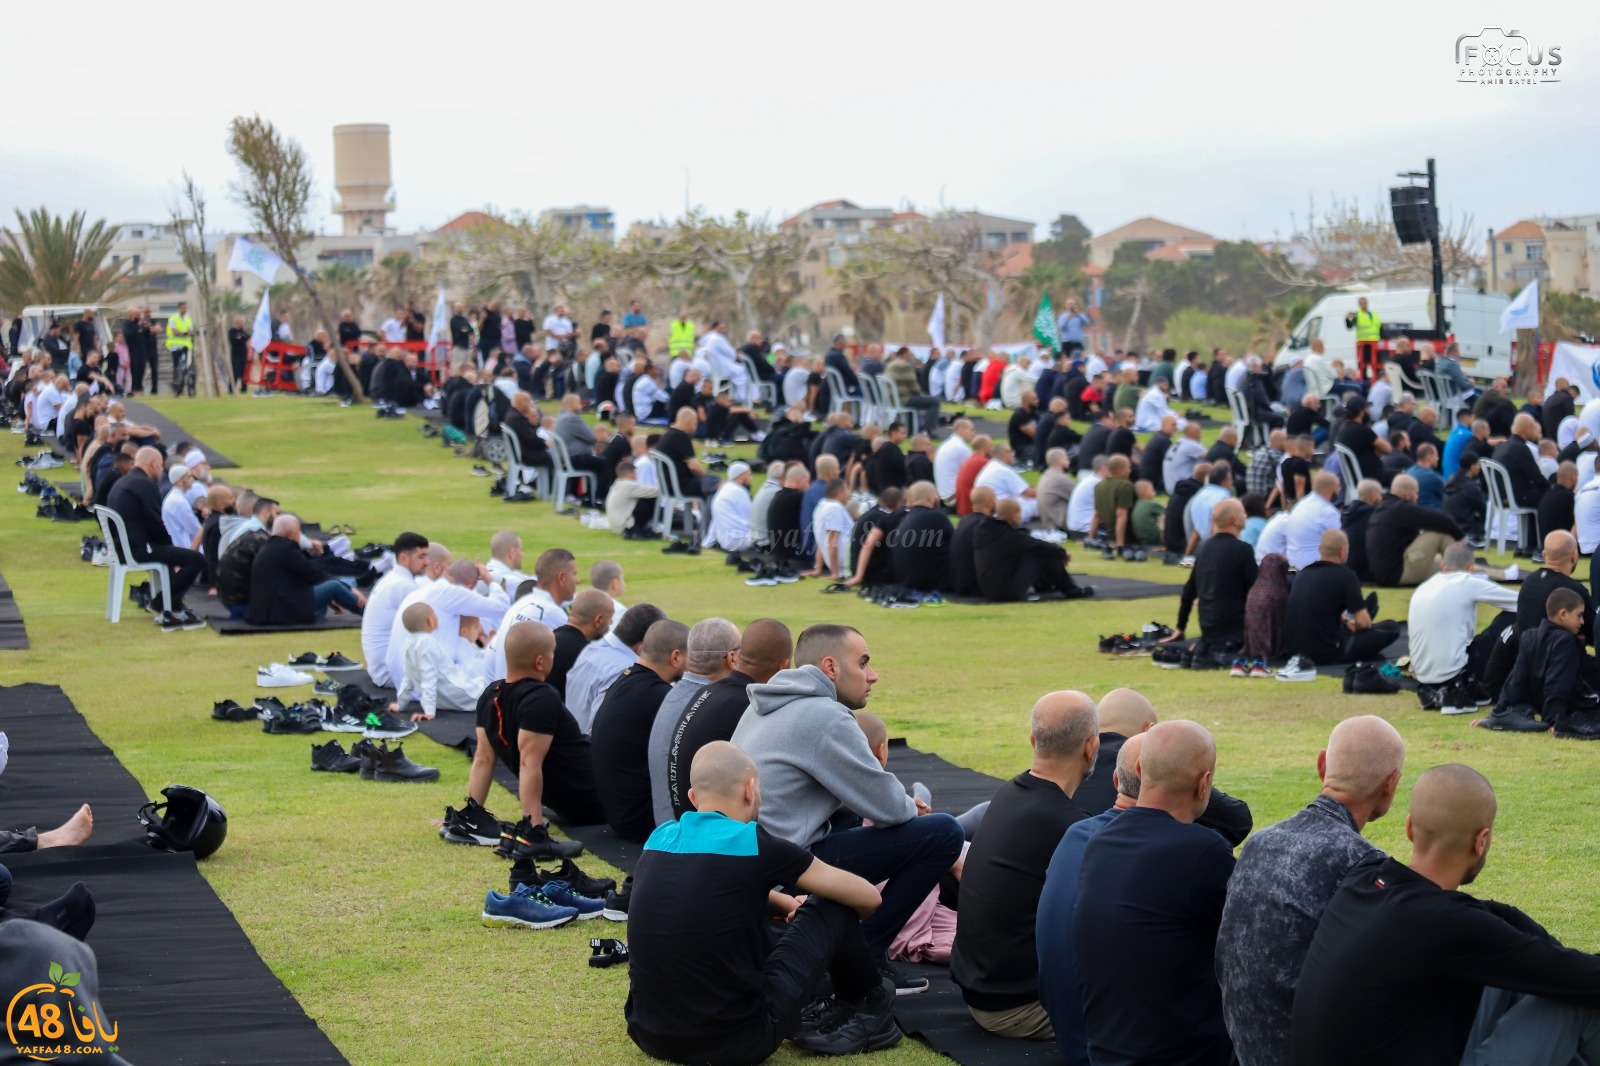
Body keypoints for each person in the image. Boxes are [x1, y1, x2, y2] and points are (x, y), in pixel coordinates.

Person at [1292, 764, 1600, 1066]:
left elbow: (1493, 916)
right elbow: (1582, 979)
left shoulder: (1363, 882)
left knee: (1524, 981)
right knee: (1574, 1003)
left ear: (1410, 827)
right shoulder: (1446, 924)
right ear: (1481, 842)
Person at [625, 741, 899, 1064]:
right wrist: (825, 920)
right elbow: (868, 897)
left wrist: (782, 903)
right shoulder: (753, 843)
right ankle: (869, 1002)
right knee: (833, 903)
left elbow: (710, 887)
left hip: (648, 1034)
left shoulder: (659, 838)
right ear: (750, 789)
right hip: (738, 1041)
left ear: (694, 799)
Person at [731, 624, 965, 992]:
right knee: (944, 832)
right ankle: (866, 956)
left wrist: (898, 802)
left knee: (852, 813)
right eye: (864, 663)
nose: (873, 676)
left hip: (749, 856)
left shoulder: (765, 703)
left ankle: (842, 942)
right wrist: (909, 806)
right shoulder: (826, 715)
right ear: (831, 667)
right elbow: (891, 809)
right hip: (786, 864)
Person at [1216, 716, 1406, 1066]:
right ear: (1391, 784)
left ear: (1322, 765)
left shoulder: (1259, 843)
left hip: (1244, 1049)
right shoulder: (1362, 865)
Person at [1073, 720, 1236, 1066]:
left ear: (1138, 769)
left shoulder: (1099, 842)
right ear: (1204, 784)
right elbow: (1248, 951)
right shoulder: (1204, 851)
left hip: (1105, 1051)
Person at [951, 691, 1099, 1039]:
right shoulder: (1069, 827)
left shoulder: (1009, 794)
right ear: (1092, 747)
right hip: (1019, 1008)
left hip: (982, 992)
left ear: (1033, 740)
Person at [467, 620, 601, 860]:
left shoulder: (490, 695)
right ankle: (536, 836)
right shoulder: (541, 697)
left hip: (574, 799)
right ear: (540, 661)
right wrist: (535, 833)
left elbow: (483, 758)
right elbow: (529, 764)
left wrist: (472, 813)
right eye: (552, 653)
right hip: (595, 799)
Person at [663, 619, 793, 819]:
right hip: (713, 831)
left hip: (688, 817)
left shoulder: (709, 691)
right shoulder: (751, 705)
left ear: (739, 655)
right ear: (783, 665)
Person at [590, 620, 690, 843]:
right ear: (675, 657)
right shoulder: (660, 696)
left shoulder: (626, 680)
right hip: (642, 822)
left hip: (619, 813)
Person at [645, 618, 740, 825]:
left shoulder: (675, 694)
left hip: (666, 828)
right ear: (732, 658)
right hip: (686, 836)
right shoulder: (714, 704)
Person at [1406, 541, 1520, 704]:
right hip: (1456, 673)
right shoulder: (1467, 581)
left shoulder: (1423, 587)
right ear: (1470, 568)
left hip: (1422, 675)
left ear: (1443, 565)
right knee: (1512, 617)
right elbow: (1522, 602)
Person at [1477, 586, 1599, 736]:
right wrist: (1553, 720)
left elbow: (1516, 679)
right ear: (1563, 614)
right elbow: (1558, 682)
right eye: (1579, 615)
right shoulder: (1565, 640)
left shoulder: (1529, 636)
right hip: (1575, 707)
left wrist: (1499, 712)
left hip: (1540, 705)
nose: (1582, 622)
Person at [106, 446, 205, 630]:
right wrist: (170, 548)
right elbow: (155, 524)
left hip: (123, 547)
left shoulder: (122, 482)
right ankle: (161, 602)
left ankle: (173, 604)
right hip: (138, 550)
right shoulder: (145, 485)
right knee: (196, 559)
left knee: (167, 555)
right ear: (152, 464)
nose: (161, 472)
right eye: (160, 466)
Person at [1283, 530, 1398, 666]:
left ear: (1320, 549)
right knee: (1391, 627)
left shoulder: (1303, 574)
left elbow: (1317, 607)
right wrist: (1355, 625)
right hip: (1326, 652)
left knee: (1366, 608)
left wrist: (1345, 621)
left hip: (1295, 651)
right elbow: (1364, 623)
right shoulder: (1346, 576)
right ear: (1343, 551)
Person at [247, 514, 365, 626]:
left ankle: (316, 614)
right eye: (299, 532)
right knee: (334, 586)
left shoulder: (269, 547)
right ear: (290, 534)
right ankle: (367, 613)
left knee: (323, 589)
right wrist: (350, 589)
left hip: (265, 612)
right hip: (282, 611)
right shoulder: (287, 549)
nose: (301, 536)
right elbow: (314, 574)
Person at [484, 548, 578, 684]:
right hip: (524, 698)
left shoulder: (521, 603)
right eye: (574, 574)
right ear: (561, 578)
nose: (577, 580)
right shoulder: (551, 613)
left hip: (503, 693)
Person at [1172, 499, 1257, 649]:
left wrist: (1180, 627)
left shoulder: (1204, 548)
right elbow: (1256, 592)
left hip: (1209, 630)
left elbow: (1188, 592)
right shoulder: (1243, 550)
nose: (1246, 516)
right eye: (1243, 513)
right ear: (1235, 520)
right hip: (1235, 632)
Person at [975, 499, 1091, 601]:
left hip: (990, 590)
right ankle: (1072, 591)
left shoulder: (989, 531)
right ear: (1014, 515)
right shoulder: (1008, 536)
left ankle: (1044, 585)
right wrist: (1062, 553)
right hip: (1005, 592)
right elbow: (1037, 546)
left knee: (1037, 551)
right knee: (1045, 553)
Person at [360, 534, 432, 687]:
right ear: (404, 558)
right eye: (421, 557)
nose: (427, 562)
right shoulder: (403, 586)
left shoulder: (394, 578)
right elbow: (428, 630)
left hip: (382, 669)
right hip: (390, 673)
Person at [1367, 473, 1464, 586]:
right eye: (1416, 493)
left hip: (1387, 574)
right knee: (1440, 532)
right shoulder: (1401, 508)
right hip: (1398, 573)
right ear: (1408, 494)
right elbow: (1443, 520)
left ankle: (1466, 568)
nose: (1417, 497)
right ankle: (1462, 572)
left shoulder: (1384, 508)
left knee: (1441, 562)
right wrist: (1460, 537)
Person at [395, 603, 485, 720]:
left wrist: (400, 704)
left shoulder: (408, 643)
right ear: (430, 621)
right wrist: (429, 712)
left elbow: (408, 678)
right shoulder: (427, 643)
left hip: (444, 699)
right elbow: (429, 678)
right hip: (463, 694)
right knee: (495, 685)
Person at [1491, 413, 1549, 551]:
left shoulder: (1503, 447)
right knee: (1548, 499)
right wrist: (1552, 488)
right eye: (1535, 429)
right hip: (1516, 497)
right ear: (1528, 430)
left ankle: (1527, 544)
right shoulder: (1520, 448)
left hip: (1501, 496)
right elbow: (1536, 477)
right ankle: (1537, 544)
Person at [547, 588, 613, 702]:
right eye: (610, 617)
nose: (611, 622)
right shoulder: (587, 656)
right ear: (598, 621)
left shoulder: (551, 638)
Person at [889, 482, 954, 594]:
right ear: (931, 498)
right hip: (933, 583)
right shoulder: (937, 517)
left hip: (908, 581)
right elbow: (956, 541)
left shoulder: (905, 519)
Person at [1283, 471, 1342, 570]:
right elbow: (1338, 545)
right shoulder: (1328, 512)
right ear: (1328, 491)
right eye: (1338, 487)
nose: (1340, 490)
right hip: (1314, 567)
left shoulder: (1301, 504)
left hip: (1293, 564)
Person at [1089, 454, 1136, 554]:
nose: (1129, 471)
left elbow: (1097, 515)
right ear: (1120, 471)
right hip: (1129, 535)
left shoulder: (1099, 486)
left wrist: (1090, 538)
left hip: (1110, 534)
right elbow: (1121, 514)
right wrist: (1120, 543)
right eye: (1128, 468)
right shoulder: (1125, 486)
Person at [705, 462, 754, 552]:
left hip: (725, 542)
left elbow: (715, 521)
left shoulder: (724, 489)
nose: (751, 478)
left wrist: (707, 543)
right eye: (749, 475)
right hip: (740, 542)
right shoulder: (739, 491)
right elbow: (751, 519)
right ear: (741, 477)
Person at [1185, 463, 1235, 553]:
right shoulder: (1223, 498)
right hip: (1218, 546)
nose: (1232, 482)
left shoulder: (1200, 494)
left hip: (1202, 543)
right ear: (1224, 482)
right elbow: (1214, 526)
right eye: (1231, 479)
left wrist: (1187, 554)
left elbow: (1198, 529)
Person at [933, 419, 974, 501]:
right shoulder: (961, 447)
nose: (973, 433)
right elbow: (975, 472)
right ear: (962, 430)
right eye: (972, 430)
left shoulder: (946, 443)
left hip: (943, 495)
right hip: (953, 497)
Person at [1036, 448, 1076, 532]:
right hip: (1059, 523)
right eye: (1066, 458)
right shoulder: (1060, 479)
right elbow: (1080, 498)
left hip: (1048, 521)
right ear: (1060, 460)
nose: (1069, 460)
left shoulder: (1046, 475)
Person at [1538, 460, 1578, 542]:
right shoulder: (1569, 497)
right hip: (1564, 544)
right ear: (1573, 477)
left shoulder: (1547, 495)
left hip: (1547, 543)